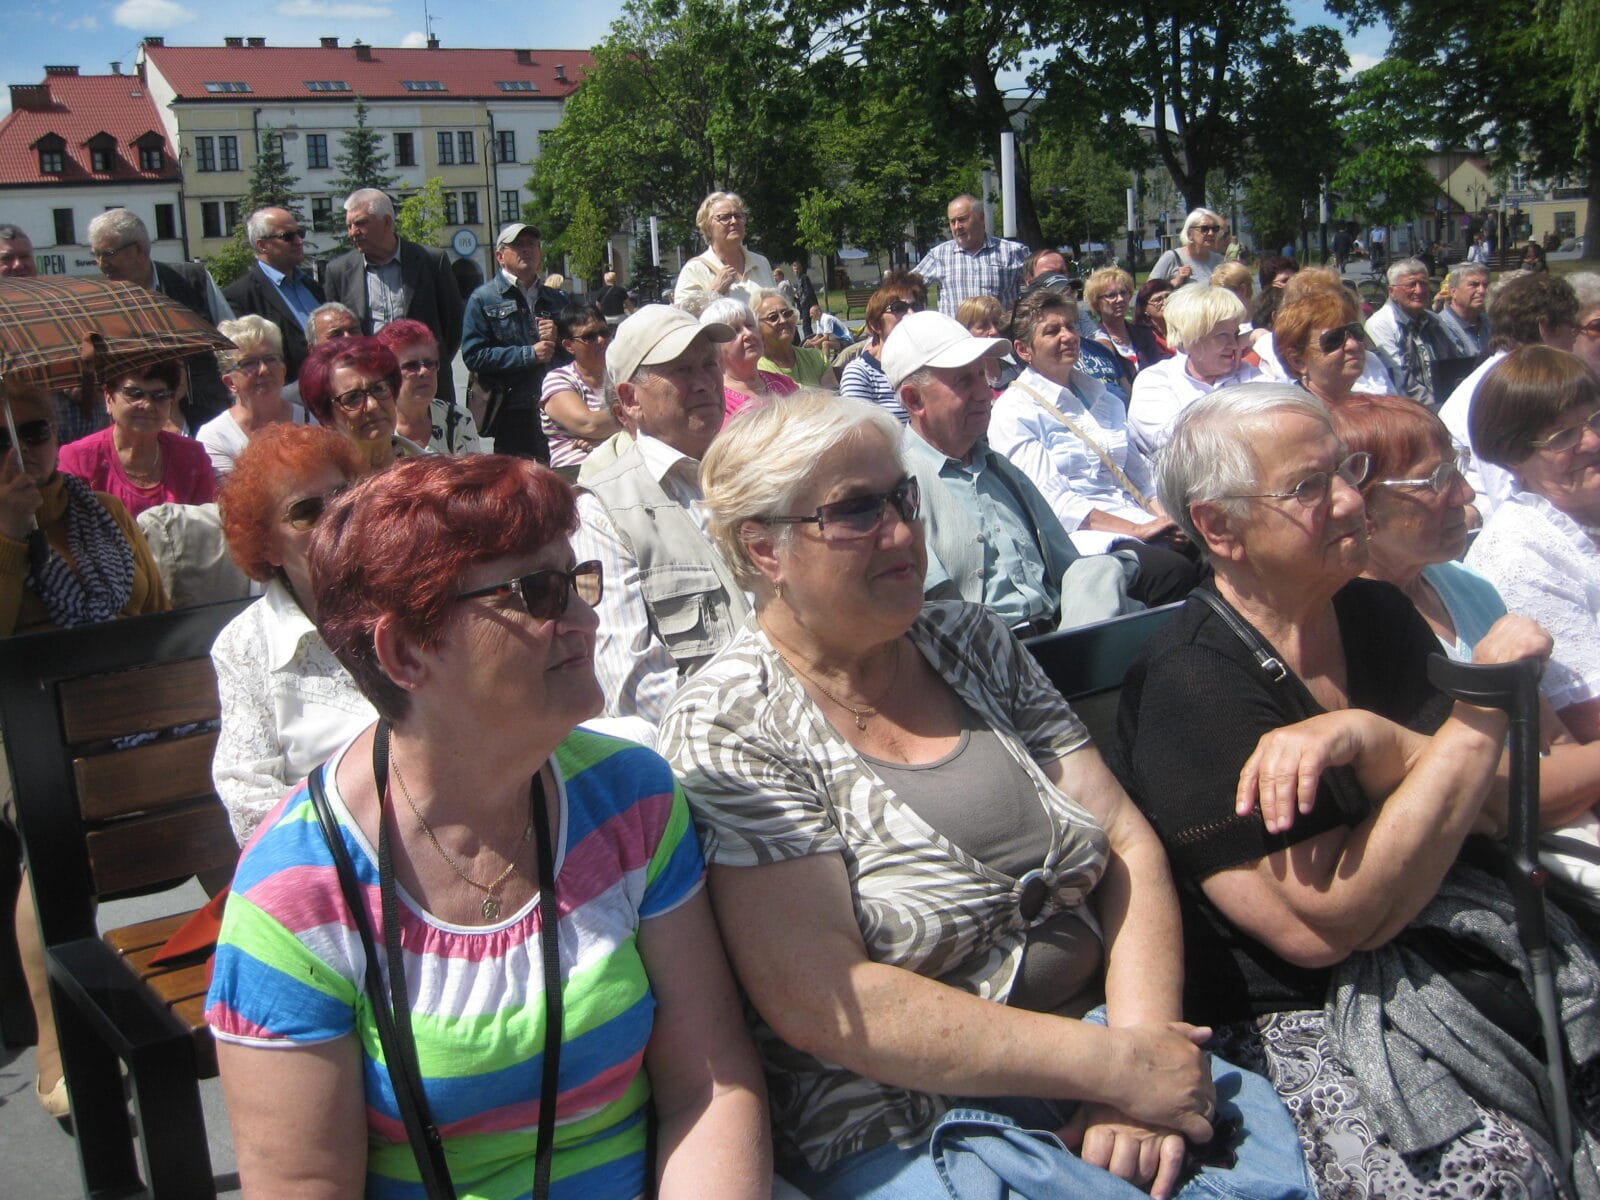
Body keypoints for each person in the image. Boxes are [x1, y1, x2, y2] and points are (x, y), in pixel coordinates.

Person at [654, 391, 1315, 1200]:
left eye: (903, 497)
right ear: (764, 548)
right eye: (857, 511)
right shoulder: (731, 722)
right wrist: (1110, 1066)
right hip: (912, 1120)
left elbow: (1124, 843)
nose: (903, 532)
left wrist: (1140, 1056)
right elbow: (823, 999)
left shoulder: (971, 641)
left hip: (1111, 1043)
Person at [205, 453, 771, 1199]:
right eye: (537, 592)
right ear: (406, 651)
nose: (585, 619)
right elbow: (304, 1183)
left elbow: (710, 1086)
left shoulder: (628, 797)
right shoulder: (299, 894)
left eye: (576, 580)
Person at [1110, 382, 1597, 1196]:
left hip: (1462, 940)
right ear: (1219, 528)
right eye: (1309, 486)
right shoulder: (1193, 685)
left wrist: (1379, 741)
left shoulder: (1373, 612)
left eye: (1347, 470)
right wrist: (1479, 711)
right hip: (1309, 1011)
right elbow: (1331, 922)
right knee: (1491, 1176)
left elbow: (1486, 804)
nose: (1347, 500)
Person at [0, 381, 168, 1119]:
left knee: (210, 781)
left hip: (119, 697)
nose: (19, 450)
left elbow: (153, 609)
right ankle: (57, 1045)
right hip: (22, 717)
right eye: (1, 440)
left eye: (32, 432)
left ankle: (269, 968)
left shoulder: (98, 511)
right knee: (55, 828)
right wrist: (11, 535)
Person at [1330, 390, 1600, 839]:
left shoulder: (1466, 584)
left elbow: (1553, 742)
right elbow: (1489, 796)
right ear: (1362, 506)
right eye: (1435, 479)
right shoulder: (1354, 629)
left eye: (1456, 467)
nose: (1466, 492)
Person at [889, 310, 1133, 634]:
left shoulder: (1000, 469)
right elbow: (933, 613)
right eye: (963, 381)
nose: (984, 392)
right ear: (914, 400)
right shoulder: (896, 489)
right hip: (981, 651)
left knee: (1107, 570)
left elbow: (1069, 567)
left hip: (1057, 633)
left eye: (981, 375)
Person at [571, 305, 746, 727]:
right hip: (713, 748)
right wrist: (756, 727)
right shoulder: (603, 512)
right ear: (630, 400)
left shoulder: (757, 473)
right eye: (682, 370)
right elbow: (632, 688)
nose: (704, 382)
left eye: (709, 365)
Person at [211, 423, 372, 844]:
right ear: (267, 545)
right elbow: (248, 799)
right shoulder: (246, 644)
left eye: (344, 496)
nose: (335, 517)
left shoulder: (409, 600)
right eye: (307, 511)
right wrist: (363, 836)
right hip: (329, 858)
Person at [989, 289, 1199, 603]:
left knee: (1211, 551)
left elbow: (1140, 477)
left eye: (1070, 326)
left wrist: (1169, 520)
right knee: (1171, 572)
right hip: (1083, 539)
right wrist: (1136, 530)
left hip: (1137, 518)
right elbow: (1054, 503)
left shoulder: (1103, 398)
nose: (1067, 336)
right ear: (1023, 349)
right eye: (1052, 331)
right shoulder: (1015, 411)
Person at [1468, 346, 1600, 743]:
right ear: (1513, 457)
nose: (1593, 441)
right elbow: (1586, 720)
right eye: (1564, 436)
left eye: (1595, 419)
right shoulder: (1520, 556)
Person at [1438, 271, 1581, 518]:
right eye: (1573, 328)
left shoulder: (1521, 376)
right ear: (1546, 328)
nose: (1575, 339)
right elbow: (1508, 494)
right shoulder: (1506, 390)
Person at [87, 208, 234, 428]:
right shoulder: (101, 304)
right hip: (140, 420)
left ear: (138, 249)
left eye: (107, 254)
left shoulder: (193, 280)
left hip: (205, 413)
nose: (101, 263)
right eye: (95, 255)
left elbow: (231, 340)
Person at [322, 189, 465, 402]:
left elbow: (452, 325)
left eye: (360, 223)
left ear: (387, 222)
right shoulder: (339, 272)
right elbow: (335, 336)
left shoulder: (432, 261)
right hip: (369, 388)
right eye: (349, 226)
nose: (353, 232)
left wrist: (427, 364)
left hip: (425, 385)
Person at [58, 360, 217, 518]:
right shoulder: (78, 459)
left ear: (171, 402)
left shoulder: (192, 456)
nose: (147, 405)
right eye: (134, 394)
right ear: (108, 398)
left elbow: (206, 524)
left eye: (159, 396)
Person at [461, 221, 565, 461]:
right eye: (517, 245)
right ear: (500, 256)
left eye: (532, 244)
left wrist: (558, 339)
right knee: (515, 479)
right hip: (511, 411)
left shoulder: (557, 299)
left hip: (557, 404)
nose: (526, 249)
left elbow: (575, 350)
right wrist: (529, 354)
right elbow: (474, 356)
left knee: (559, 477)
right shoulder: (483, 299)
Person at [1128, 286, 1260, 457]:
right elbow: (1176, 443)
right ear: (1191, 339)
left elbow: (1287, 408)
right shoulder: (1156, 380)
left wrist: (1261, 337)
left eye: (1236, 334)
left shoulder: (1246, 373)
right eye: (1222, 335)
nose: (1235, 345)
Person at [223, 207, 325, 382]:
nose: (299, 241)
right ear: (262, 245)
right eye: (288, 236)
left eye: (300, 233)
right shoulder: (240, 297)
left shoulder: (312, 286)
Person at [297, 336, 424, 473]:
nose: (373, 405)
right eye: (353, 398)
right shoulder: (319, 483)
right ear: (327, 418)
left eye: (378, 389)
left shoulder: (432, 474)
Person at [197, 315, 303, 477]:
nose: (264, 370)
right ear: (230, 382)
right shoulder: (215, 437)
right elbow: (231, 492)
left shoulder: (309, 420)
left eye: (270, 359)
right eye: (249, 363)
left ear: (283, 370)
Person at [539, 303, 624, 480]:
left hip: (622, 461)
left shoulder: (622, 374)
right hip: (574, 470)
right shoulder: (559, 379)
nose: (601, 340)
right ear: (569, 345)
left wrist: (601, 440)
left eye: (605, 332)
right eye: (589, 336)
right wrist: (632, 418)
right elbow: (589, 425)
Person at [375, 319, 482, 455]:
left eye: (429, 363)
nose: (424, 371)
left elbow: (473, 469)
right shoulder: (374, 425)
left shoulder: (458, 419)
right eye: (411, 365)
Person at [913, 193, 1028, 315]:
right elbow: (906, 287)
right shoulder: (939, 255)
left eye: (962, 219)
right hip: (956, 327)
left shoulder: (1012, 252)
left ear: (981, 218)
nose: (957, 227)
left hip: (997, 327)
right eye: (952, 222)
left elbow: (1038, 285)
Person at [839, 272, 928, 423]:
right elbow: (858, 432)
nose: (911, 313)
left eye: (916, 306)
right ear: (875, 325)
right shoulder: (860, 374)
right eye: (899, 308)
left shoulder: (927, 366)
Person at [1363, 258, 1451, 407]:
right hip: (1412, 408)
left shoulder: (1435, 320)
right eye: (1411, 285)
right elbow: (1400, 378)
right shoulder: (1380, 324)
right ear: (1391, 291)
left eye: (1423, 284)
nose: (1420, 290)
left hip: (1445, 402)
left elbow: (1451, 362)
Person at [701, 297, 798, 429]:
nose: (748, 334)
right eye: (735, 331)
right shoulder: (716, 401)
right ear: (715, 347)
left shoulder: (784, 383)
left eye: (750, 326)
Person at [1271, 289, 1377, 408]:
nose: (1353, 345)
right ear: (1298, 361)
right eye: (1335, 338)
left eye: (1355, 331)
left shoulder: (1372, 410)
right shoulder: (1294, 416)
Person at [673, 191, 775, 310]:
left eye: (738, 216)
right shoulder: (695, 270)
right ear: (707, 228)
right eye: (725, 217)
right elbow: (683, 317)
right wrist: (715, 292)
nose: (734, 221)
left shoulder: (761, 263)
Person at [755, 291, 837, 388]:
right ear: (756, 327)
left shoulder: (817, 358)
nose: (783, 320)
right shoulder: (756, 370)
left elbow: (833, 394)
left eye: (787, 314)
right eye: (773, 317)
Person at [1083, 267, 1140, 379]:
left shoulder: (1145, 334)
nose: (1120, 299)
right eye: (1111, 295)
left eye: (1123, 293)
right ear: (1096, 303)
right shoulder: (1095, 343)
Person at [1150, 209, 1227, 288]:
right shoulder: (1171, 257)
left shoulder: (1220, 261)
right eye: (1204, 229)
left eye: (1214, 229)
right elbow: (1148, 291)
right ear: (1189, 233)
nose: (1211, 233)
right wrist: (1175, 282)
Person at [1435, 262, 1491, 360]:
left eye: (1485, 285)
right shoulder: (1440, 328)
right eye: (1474, 285)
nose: (1482, 291)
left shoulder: (1491, 324)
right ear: (1453, 292)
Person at [1130, 278, 1177, 367]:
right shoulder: (1142, 338)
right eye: (1158, 300)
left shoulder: (1184, 330)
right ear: (1144, 308)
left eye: (1168, 297)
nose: (1165, 302)